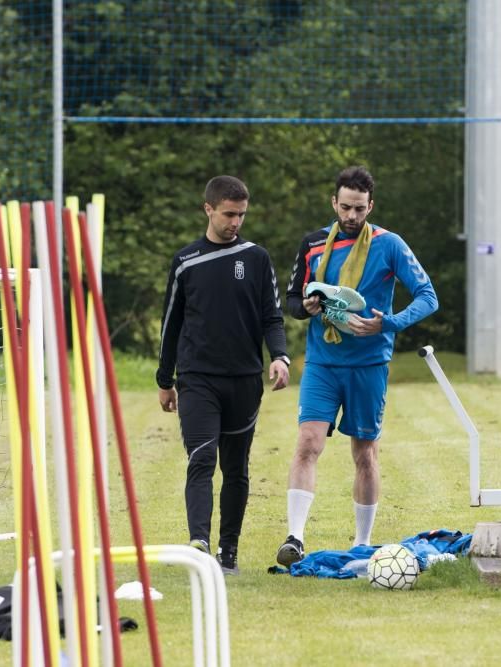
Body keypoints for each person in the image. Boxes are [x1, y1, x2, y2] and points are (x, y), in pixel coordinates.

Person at [276, 165, 438, 566]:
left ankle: (362, 543)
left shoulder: (391, 245)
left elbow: (427, 296)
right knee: (308, 443)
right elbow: (292, 301)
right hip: (322, 362)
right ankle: (294, 538)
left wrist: (389, 322)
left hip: (369, 364)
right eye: (345, 208)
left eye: (359, 210)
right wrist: (308, 307)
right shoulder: (313, 244)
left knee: (365, 453)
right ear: (334, 202)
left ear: (371, 206)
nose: (351, 216)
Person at [157, 175, 290, 575]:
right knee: (202, 457)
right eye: (229, 214)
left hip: (245, 380)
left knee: (236, 469)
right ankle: (199, 542)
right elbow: (171, 324)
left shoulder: (257, 258)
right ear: (209, 209)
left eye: (242, 215)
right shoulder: (185, 262)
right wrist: (165, 380)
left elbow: (272, 316)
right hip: (197, 378)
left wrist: (280, 356)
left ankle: (227, 550)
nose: (236, 222)